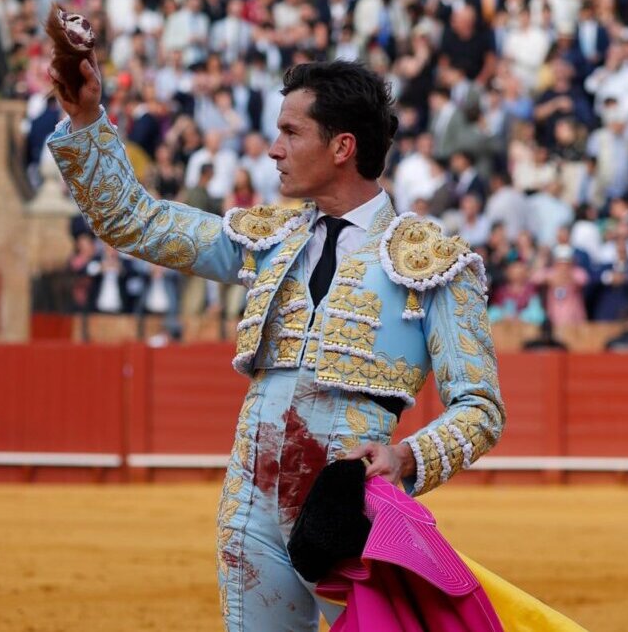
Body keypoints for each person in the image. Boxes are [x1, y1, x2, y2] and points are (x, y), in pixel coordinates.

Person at [47, 56, 505, 631]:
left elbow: (480, 408)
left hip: (349, 510)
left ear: (342, 147)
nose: (273, 149)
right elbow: (134, 221)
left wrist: (406, 457)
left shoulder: (432, 261)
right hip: (252, 505)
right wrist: (87, 119)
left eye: (291, 132)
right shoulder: (271, 239)